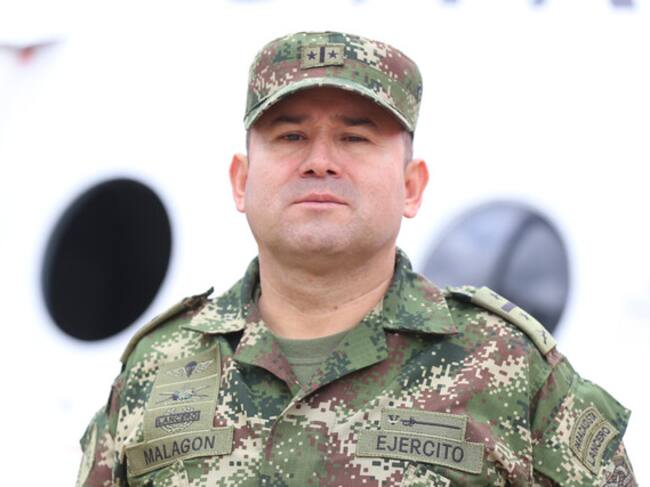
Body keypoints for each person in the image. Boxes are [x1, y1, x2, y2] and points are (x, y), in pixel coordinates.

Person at [77, 31, 637, 486]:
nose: (320, 161)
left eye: (354, 138)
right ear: (241, 181)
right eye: (291, 136)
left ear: (412, 186)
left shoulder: (509, 366)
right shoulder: (157, 367)